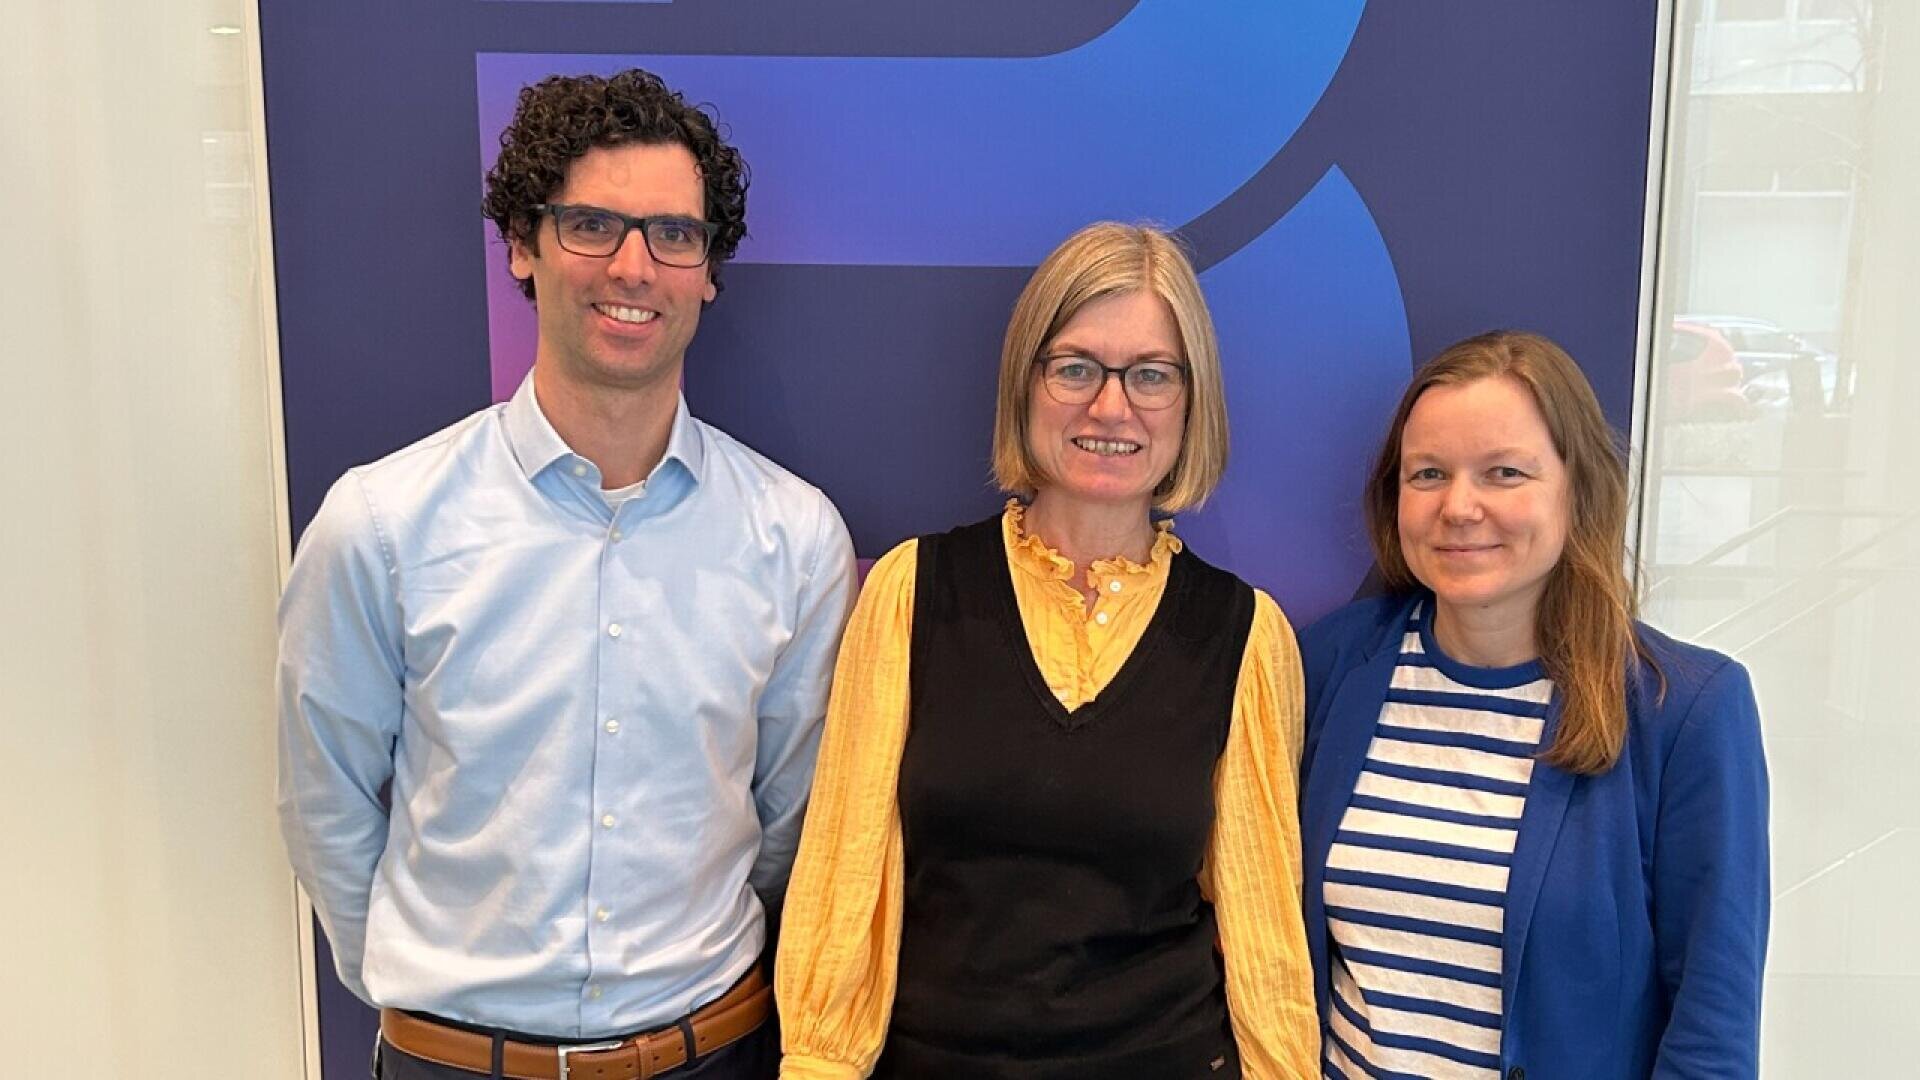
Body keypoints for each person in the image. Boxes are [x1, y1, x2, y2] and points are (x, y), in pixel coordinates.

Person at [277, 69, 857, 1080]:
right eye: (592, 225)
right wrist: (442, 1006)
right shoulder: (382, 525)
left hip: (710, 1056)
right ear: (522, 244)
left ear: (707, 271)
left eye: (673, 235)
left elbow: (787, 826)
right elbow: (325, 802)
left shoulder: (795, 538)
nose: (634, 267)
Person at [774, 222, 1320, 1079]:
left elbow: (1264, 935)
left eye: (1151, 374)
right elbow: (846, 876)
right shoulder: (914, 592)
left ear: (1193, 401)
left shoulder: (1245, 635)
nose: (1111, 408)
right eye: (1075, 368)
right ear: (1024, 384)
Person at [1298, 331, 1769, 1078]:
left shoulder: (1685, 712)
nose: (1459, 507)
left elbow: (1712, 1033)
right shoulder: (1329, 664)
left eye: (1505, 473)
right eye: (1428, 474)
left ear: (1577, 491)